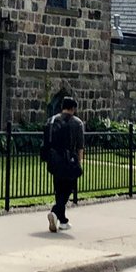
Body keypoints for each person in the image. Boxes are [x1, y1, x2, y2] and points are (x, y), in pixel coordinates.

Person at [43, 96, 85, 233]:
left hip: (53, 158)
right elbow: (80, 146)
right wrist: (79, 161)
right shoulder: (77, 123)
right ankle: (55, 212)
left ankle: (63, 220)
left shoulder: (52, 120)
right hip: (69, 160)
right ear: (73, 108)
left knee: (59, 188)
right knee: (68, 189)